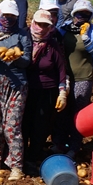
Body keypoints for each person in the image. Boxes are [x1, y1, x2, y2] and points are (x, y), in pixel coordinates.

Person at [0, 0, 31, 180]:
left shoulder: (23, 35)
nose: (8, 19)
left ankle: (16, 166)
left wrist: (16, 56)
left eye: (12, 16)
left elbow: (27, 61)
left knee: (12, 126)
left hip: (16, 86)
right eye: (5, 16)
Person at [56, 0, 93, 157]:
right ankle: (60, 144)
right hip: (65, 76)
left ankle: (74, 146)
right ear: (73, 15)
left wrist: (85, 37)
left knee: (78, 112)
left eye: (86, 14)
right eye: (79, 14)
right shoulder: (65, 29)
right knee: (63, 112)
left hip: (83, 77)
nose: (82, 17)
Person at [21, 10, 68, 169]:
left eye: (45, 25)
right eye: (39, 24)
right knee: (23, 123)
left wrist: (62, 92)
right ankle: (20, 156)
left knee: (40, 125)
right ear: (33, 22)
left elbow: (61, 70)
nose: (41, 28)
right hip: (25, 89)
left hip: (46, 90)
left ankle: (33, 157)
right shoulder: (23, 38)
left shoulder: (52, 45)